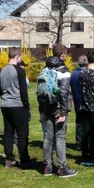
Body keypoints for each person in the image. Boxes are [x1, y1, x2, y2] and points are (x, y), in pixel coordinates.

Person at [39, 45, 77, 178]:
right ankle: (62, 168)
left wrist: (42, 110)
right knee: (60, 137)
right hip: (58, 108)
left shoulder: (45, 68)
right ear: (63, 55)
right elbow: (64, 92)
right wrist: (64, 112)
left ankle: (47, 167)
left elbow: (41, 91)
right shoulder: (64, 71)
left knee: (48, 137)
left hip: (46, 107)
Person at [0, 47, 32, 169]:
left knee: (8, 133)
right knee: (22, 133)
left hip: (5, 104)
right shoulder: (19, 71)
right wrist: (27, 107)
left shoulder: (2, 70)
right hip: (18, 105)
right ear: (17, 56)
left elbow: (0, 88)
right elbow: (23, 91)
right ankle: (24, 159)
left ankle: (9, 159)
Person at [78, 51, 94, 167]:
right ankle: (91, 156)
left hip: (84, 106)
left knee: (85, 132)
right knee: (93, 133)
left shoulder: (82, 74)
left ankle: (84, 155)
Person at [70, 54, 88, 148]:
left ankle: (78, 143)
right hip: (85, 101)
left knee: (79, 122)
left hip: (77, 100)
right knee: (86, 123)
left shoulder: (73, 74)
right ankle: (85, 142)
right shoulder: (86, 73)